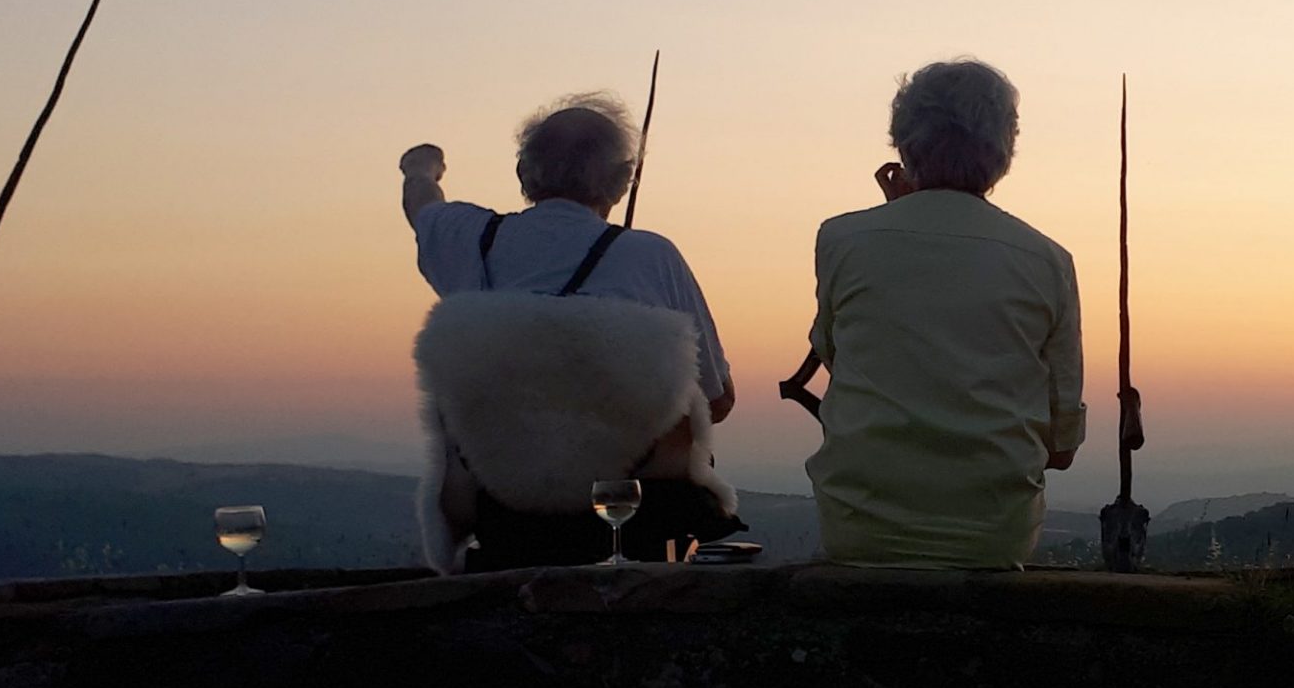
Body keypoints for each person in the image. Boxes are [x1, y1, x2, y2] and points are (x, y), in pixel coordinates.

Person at [398, 96, 740, 570]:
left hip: (503, 521)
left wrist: (421, 168)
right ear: (623, 181)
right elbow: (717, 399)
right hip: (630, 521)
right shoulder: (652, 257)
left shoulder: (473, 239)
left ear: (524, 173)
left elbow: (423, 208)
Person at [804, 60, 1084, 567]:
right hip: (992, 539)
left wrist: (898, 212)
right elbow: (1060, 447)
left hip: (861, 530)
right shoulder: (1047, 261)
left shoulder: (841, 239)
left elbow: (835, 352)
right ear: (1004, 153)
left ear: (905, 146)